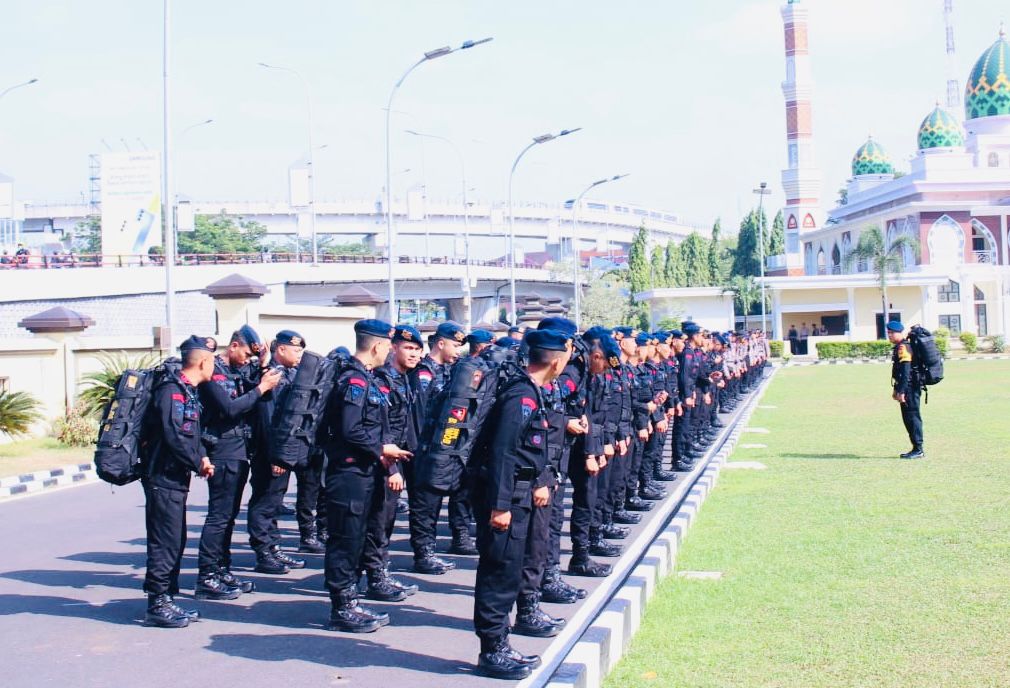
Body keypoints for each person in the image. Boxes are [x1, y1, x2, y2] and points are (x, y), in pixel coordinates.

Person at [471, 328, 571, 680]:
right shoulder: (521, 397)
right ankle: (492, 651)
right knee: (499, 571)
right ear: (556, 361)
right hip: (506, 499)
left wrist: (538, 482)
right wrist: (500, 506)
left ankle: (500, 644)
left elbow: (527, 454)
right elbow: (502, 453)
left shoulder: (532, 393)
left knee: (509, 570)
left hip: (519, 495)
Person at [321, 319, 412, 633]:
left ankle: (352, 599)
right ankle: (342, 607)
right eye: (389, 345)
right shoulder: (354, 382)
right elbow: (350, 428)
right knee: (346, 540)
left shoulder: (369, 380)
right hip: (349, 473)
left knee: (359, 538)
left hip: (366, 472)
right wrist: (383, 449)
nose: (390, 351)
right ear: (377, 346)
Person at [196, 326, 282, 599]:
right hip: (221, 450)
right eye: (245, 354)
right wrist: (261, 388)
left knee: (229, 517)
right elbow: (230, 408)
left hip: (239, 450)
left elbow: (260, 397)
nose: (247, 359)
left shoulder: (236, 371)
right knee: (219, 517)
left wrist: (264, 366)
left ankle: (222, 569)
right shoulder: (214, 372)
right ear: (233, 346)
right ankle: (207, 575)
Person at [141, 335, 218, 628]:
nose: (215, 367)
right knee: (165, 541)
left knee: (176, 538)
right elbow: (174, 435)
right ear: (202, 361)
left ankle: (167, 599)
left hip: (175, 475)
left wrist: (201, 455)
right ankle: (156, 603)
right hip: (162, 475)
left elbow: (190, 434)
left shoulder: (187, 391)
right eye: (212, 361)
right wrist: (197, 461)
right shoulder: (171, 391)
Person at [361, 324, 423, 602]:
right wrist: (392, 468)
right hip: (383, 461)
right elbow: (382, 428)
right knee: (379, 521)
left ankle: (378, 570)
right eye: (407, 348)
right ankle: (376, 576)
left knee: (386, 519)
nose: (413, 354)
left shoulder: (405, 379)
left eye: (417, 350)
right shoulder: (382, 379)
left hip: (397, 457)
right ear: (393, 348)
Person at [408, 321, 474, 573]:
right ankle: (423, 554)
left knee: (436, 502)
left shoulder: (450, 371)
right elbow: (421, 415)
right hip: (425, 449)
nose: (459, 351)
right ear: (441, 343)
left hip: (443, 448)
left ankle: (430, 551)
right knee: (425, 504)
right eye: (456, 345)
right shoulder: (424, 373)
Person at [247, 330, 307, 574]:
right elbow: (268, 419)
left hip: (282, 449)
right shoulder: (270, 374)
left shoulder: (288, 374)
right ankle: (263, 552)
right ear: (281, 349)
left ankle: (273, 547)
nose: (300, 355)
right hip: (270, 450)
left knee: (274, 500)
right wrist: (276, 454)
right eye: (296, 350)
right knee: (264, 501)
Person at [887, 320, 925, 459]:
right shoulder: (901, 346)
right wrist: (896, 389)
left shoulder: (903, 347)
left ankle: (918, 449)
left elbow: (906, 370)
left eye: (892, 333)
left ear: (899, 333)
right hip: (906, 387)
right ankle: (916, 448)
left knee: (912, 417)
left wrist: (902, 391)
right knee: (908, 418)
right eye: (888, 333)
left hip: (910, 388)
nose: (889, 335)